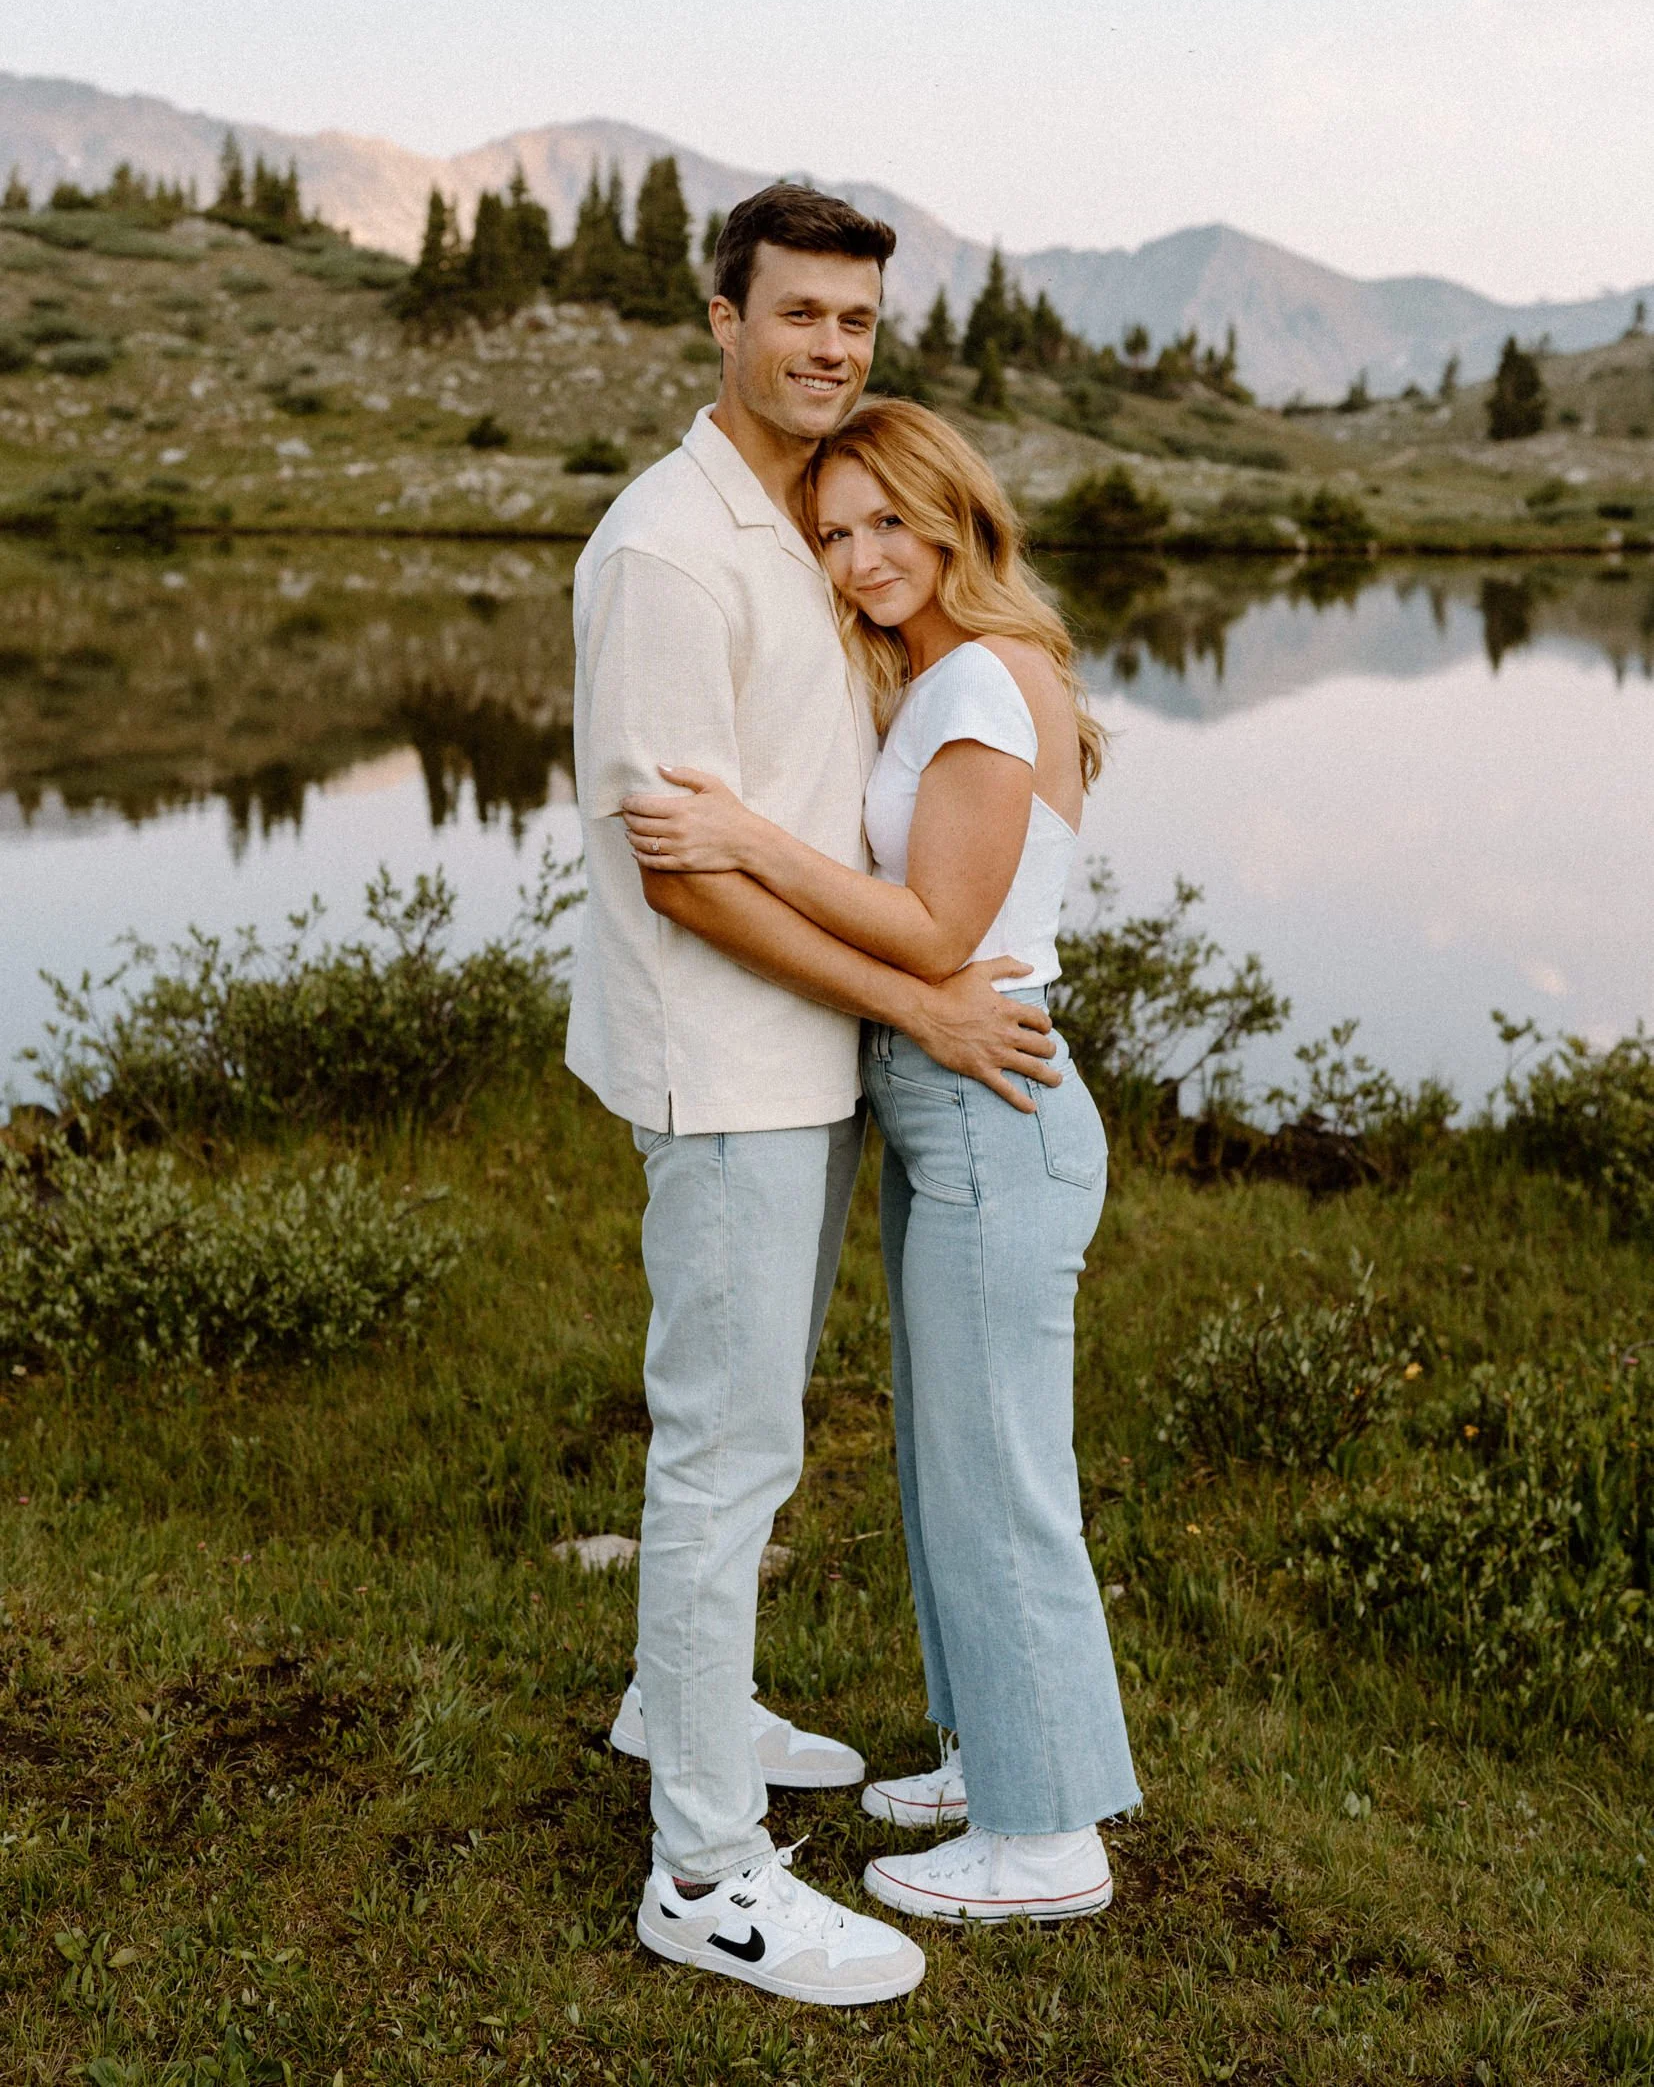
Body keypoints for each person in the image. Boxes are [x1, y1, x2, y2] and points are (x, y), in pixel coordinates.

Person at [565, 187, 1062, 2008]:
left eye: (855, 322)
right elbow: (685, 876)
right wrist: (922, 1003)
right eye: (797, 316)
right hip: (727, 1068)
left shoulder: (799, 520)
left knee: (739, 1431)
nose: (830, 349)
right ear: (721, 317)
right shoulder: (668, 555)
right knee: (726, 1452)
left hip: (799, 1056)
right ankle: (700, 1872)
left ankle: (672, 1701)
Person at [622, 396, 1141, 1927]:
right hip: (947, 1099)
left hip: (993, 1098)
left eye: (884, 524)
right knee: (952, 1461)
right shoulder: (945, 674)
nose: (857, 559)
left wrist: (741, 842)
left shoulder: (984, 677)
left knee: (999, 1474)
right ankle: (1002, 1753)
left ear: (953, 516)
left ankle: (1048, 1843)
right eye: (831, 532)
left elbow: (934, 934)